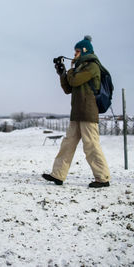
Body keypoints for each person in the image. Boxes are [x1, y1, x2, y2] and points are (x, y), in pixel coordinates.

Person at [42, 35, 110, 188]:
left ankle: (103, 178)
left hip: (88, 112)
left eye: (76, 52)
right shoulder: (79, 68)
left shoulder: (92, 67)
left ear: (85, 51)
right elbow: (68, 88)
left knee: (91, 145)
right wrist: (61, 73)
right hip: (77, 113)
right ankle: (58, 175)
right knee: (68, 144)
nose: (74, 55)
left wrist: (70, 69)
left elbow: (75, 81)